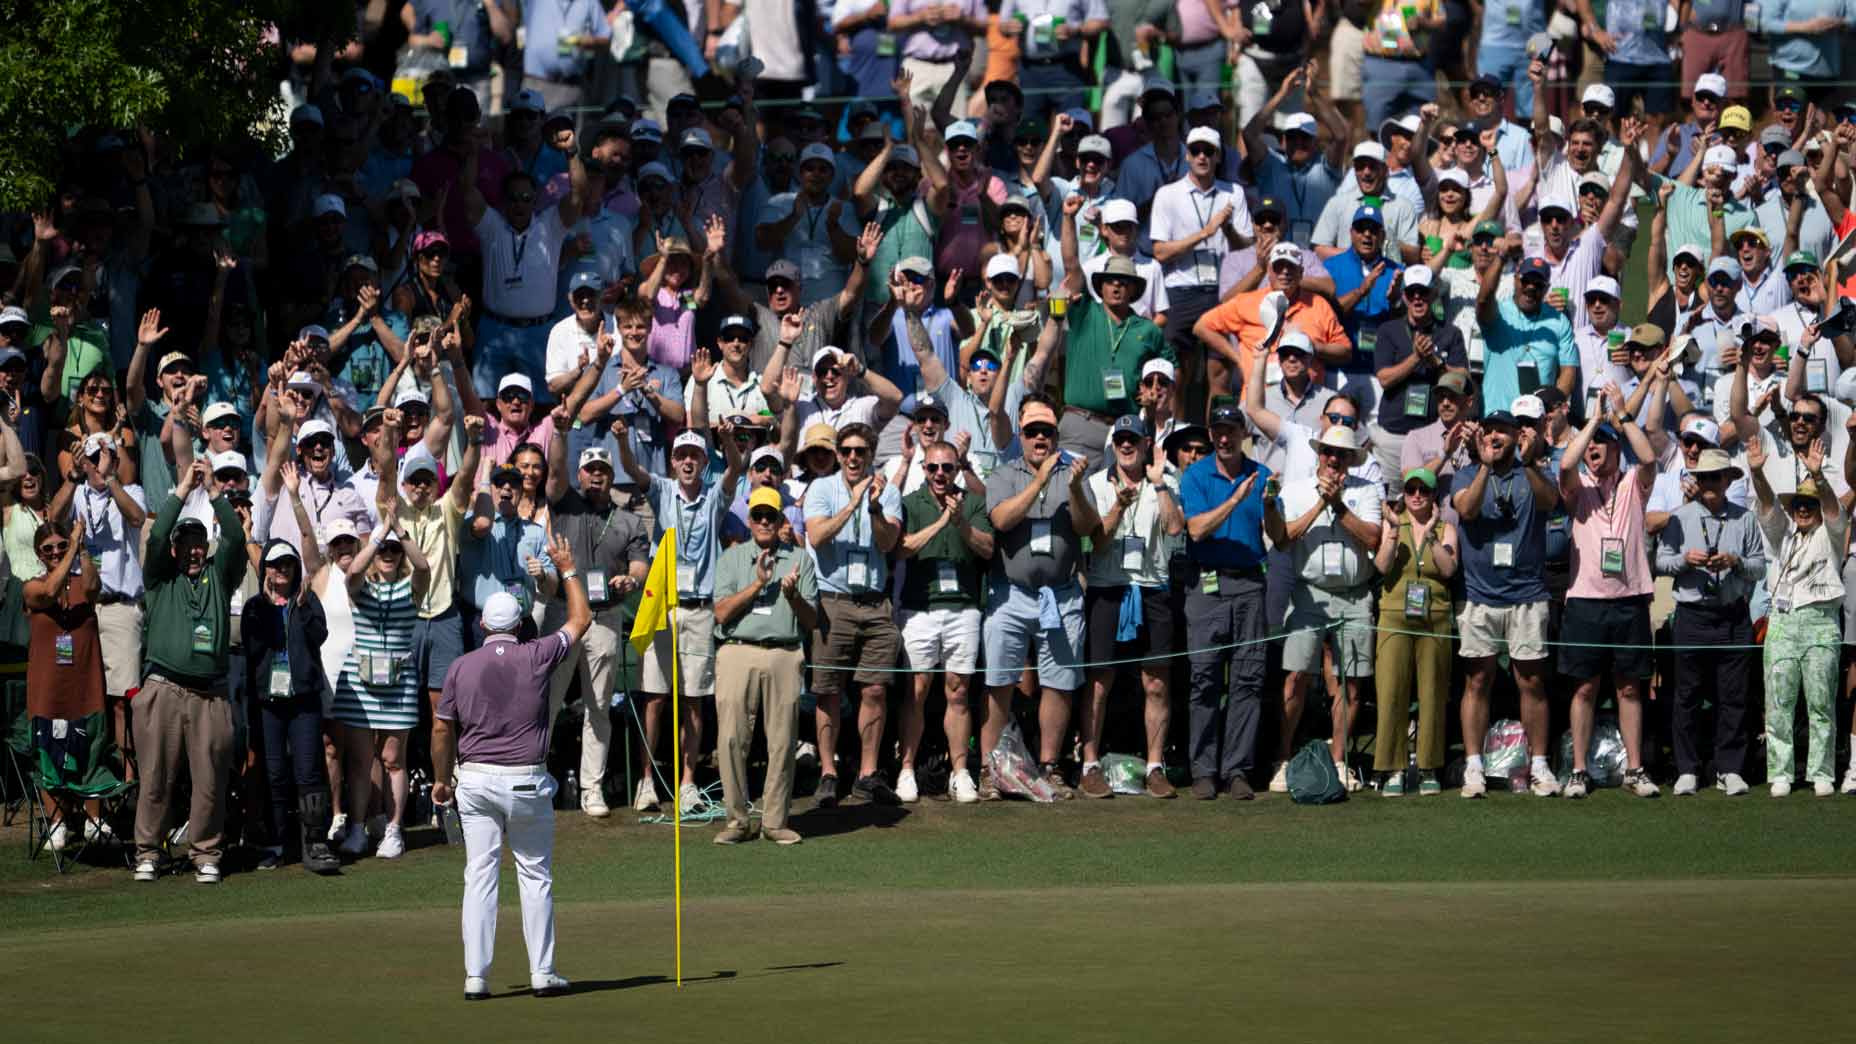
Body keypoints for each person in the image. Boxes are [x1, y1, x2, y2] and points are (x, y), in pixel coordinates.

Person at [432, 536, 589, 1001]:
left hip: (475, 781)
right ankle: (542, 972)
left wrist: (441, 779)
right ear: (520, 625)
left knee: (479, 875)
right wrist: (568, 568)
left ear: (482, 625)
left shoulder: (460, 667)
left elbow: (441, 729)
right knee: (534, 875)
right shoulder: (536, 653)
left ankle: (475, 977)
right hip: (525, 781)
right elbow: (581, 619)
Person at [614, 421, 744, 811]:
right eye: (682, 456)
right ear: (673, 462)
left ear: (703, 462)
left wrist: (726, 441)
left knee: (693, 700)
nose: (688, 462)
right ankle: (646, 782)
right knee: (654, 697)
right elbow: (633, 470)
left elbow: (736, 468)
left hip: (700, 609)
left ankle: (688, 783)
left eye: (695, 456)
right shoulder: (662, 490)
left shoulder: (714, 496)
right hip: (664, 606)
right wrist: (622, 440)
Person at [132, 460, 247, 884]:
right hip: (163, 687)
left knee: (210, 781)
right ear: (175, 550)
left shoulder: (220, 575)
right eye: (186, 543)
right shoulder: (160, 578)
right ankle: (148, 852)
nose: (194, 551)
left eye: (200, 543)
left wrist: (214, 491)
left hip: (210, 694)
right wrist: (182, 489)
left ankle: (206, 853)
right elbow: (156, 534)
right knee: (155, 778)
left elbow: (235, 536)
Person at [982, 396, 1101, 799]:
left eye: (1046, 432)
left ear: (1056, 436)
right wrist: (1039, 482)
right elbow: (1001, 520)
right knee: (999, 681)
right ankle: (990, 769)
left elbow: (1087, 527)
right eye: (1032, 431)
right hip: (1010, 594)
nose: (1039, 439)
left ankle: (1050, 766)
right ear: (1020, 435)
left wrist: (1075, 490)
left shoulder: (1074, 473)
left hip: (1061, 594)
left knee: (1059, 682)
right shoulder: (1004, 474)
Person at [1556, 390, 1661, 799]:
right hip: (1585, 600)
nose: (1594, 448)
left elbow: (1649, 458)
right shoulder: (1578, 486)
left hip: (1630, 597)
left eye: (1602, 442)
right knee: (1584, 688)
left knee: (1630, 688)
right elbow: (1566, 463)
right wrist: (1592, 423)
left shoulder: (1633, 482)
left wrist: (1620, 416)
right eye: (1590, 444)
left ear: (1617, 448)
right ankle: (1579, 771)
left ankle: (1635, 769)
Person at [1452, 410, 1562, 798]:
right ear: (1480, 437)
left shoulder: (1532, 473)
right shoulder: (1467, 474)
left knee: (1531, 682)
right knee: (1477, 680)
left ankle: (1540, 764)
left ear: (1517, 436)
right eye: (1489, 431)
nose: (1495, 436)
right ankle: (1474, 766)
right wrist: (1484, 466)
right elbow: (1466, 510)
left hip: (1527, 594)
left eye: (1503, 431)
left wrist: (1528, 463)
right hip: (1479, 594)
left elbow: (1550, 501)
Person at [1267, 425, 1383, 792]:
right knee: (1296, 676)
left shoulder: (1366, 490)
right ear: (1319, 454)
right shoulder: (1296, 490)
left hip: (1355, 595)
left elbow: (1373, 537)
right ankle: (1283, 759)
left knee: (1351, 683)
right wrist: (1322, 503)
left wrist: (1339, 505)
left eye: (1342, 453)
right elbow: (1283, 540)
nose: (1334, 459)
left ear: (1351, 459)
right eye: (1328, 452)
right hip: (1310, 593)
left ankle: (1338, 761)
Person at [543, 444, 649, 817]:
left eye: (602, 469)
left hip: (605, 616)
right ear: (580, 474)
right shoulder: (563, 503)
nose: (596, 475)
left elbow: (640, 565)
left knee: (599, 706)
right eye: (590, 469)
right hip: (563, 613)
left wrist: (631, 581)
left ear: (611, 475)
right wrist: (561, 432)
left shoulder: (629, 521)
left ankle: (592, 788)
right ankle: (534, 779)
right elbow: (555, 470)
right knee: (547, 702)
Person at [1081, 415, 1182, 799]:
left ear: (1145, 445)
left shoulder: (1166, 481)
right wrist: (1119, 507)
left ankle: (1155, 766)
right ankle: (1089, 764)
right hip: (1107, 587)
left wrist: (1158, 484)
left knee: (1156, 682)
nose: (1127, 445)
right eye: (1120, 439)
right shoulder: (1095, 484)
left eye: (1133, 439)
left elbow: (1174, 528)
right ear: (1113, 445)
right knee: (1099, 681)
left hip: (1153, 587)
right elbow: (1097, 541)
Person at [1653, 448, 1764, 797]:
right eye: (1703, 478)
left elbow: (1759, 567)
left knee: (1733, 696)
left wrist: (1736, 562)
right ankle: (1687, 769)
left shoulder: (1745, 519)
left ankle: (1729, 768)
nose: (1709, 484)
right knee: (1686, 695)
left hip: (1732, 615)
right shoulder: (1680, 517)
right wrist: (1685, 561)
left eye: (1715, 477)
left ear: (1728, 480)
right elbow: (1661, 561)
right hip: (1692, 614)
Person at [711, 487, 818, 844]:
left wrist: (792, 595)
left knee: (783, 741)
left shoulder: (800, 559)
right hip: (737, 650)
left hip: (784, 652)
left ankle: (774, 822)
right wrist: (758, 584)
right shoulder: (731, 558)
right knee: (730, 738)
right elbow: (721, 612)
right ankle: (737, 821)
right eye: (757, 515)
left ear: (780, 519)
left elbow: (811, 621)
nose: (763, 522)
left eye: (770, 515)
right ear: (749, 519)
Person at [804, 421, 904, 805]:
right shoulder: (821, 488)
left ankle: (867, 773)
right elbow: (817, 536)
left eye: (860, 451)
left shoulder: (887, 492)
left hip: (875, 602)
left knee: (875, 689)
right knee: (828, 690)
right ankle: (829, 772)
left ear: (870, 454)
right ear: (837, 454)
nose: (852, 458)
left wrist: (873, 506)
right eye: (846, 451)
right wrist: (852, 503)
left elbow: (888, 542)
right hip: (834, 600)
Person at [1179, 402, 1271, 799]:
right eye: (1217, 430)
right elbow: (1196, 529)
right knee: (1204, 679)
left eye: (1231, 430)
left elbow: (1277, 534)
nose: (1223, 437)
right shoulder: (1196, 475)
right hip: (1207, 586)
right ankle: (1203, 770)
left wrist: (1271, 506)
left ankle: (1237, 770)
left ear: (1243, 434)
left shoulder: (1261, 474)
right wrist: (1235, 499)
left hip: (1249, 584)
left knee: (1248, 680)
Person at [1746, 431, 1845, 798]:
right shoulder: (1783, 535)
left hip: (1820, 623)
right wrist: (1757, 473)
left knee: (1821, 703)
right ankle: (1781, 772)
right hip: (1783, 623)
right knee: (1778, 703)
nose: (1803, 510)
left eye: (1810, 504)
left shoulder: (1832, 535)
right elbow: (1768, 505)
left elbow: (1834, 511)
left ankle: (1821, 772)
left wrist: (1818, 478)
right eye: (1799, 505)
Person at [897, 437, 995, 803]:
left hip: (964, 608)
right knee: (917, 690)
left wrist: (961, 523)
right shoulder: (910, 503)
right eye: (933, 467)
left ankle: (960, 771)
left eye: (947, 468)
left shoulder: (974, 502)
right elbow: (901, 547)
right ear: (924, 469)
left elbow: (988, 548)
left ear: (957, 470)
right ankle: (907, 769)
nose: (940, 474)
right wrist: (942, 523)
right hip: (919, 608)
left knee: (959, 691)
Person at [240, 538, 341, 873]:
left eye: (287, 564)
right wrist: (269, 608)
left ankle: (315, 842)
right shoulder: (254, 606)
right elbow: (253, 647)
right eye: (274, 564)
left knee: (308, 770)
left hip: (304, 700)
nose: (281, 570)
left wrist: (304, 606)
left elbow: (319, 636)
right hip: (269, 702)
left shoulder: (307, 600)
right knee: (275, 773)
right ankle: (278, 842)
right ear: (265, 569)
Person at [1372, 467, 1457, 796]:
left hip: (1434, 617)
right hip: (1394, 617)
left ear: (1434, 495)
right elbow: (1381, 566)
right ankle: (1391, 768)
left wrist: (1432, 536)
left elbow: (1448, 569)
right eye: (1411, 490)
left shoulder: (1446, 528)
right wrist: (1393, 532)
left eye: (1424, 489)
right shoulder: (1394, 523)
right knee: (1391, 691)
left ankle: (1428, 767)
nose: (1417, 495)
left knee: (1433, 693)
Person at [24, 517, 105, 853]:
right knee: (49, 751)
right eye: (49, 549)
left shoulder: (80, 579)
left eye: (61, 545)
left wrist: (82, 549)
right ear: (39, 554)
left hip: (85, 682)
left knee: (91, 750)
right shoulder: (31, 586)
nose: (56, 552)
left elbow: (94, 587)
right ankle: (57, 821)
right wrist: (72, 546)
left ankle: (94, 818)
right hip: (48, 687)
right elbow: (48, 593)